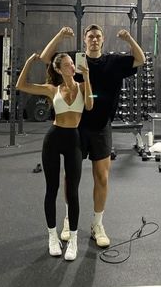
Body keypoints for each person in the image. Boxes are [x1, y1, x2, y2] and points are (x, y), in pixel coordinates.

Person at [38, 25, 146, 248]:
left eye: (98, 36)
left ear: (103, 40)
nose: (94, 40)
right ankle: (69, 219)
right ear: (85, 40)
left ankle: (97, 224)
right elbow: (45, 57)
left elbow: (140, 59)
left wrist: (128, 38)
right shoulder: (74, 62)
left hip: (101, 127)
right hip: (75, 128)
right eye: (90, 37)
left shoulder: (114, 62)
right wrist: (59, 35)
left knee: (102, 177)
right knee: (71, 178)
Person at [16, 51, 93, 261]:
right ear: (59, 69)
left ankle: (74, 240)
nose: (71, 67)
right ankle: (52, 236)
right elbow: (21, 85)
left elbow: (89, 105)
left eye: (71, 63)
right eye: (67, 64)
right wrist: (30, 62)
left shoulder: (84, 86)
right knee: (52, 189)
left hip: (74, 140)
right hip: (54, 138)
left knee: (73, 191)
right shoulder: (52, 89)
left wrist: (86, 77)